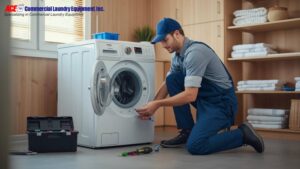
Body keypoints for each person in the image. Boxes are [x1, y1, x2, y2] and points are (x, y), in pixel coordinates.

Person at [136, 18, 265, 155]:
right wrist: (152, 106)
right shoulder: (177, 55)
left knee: (196, 145)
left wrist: (158, 104)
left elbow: (190, 95)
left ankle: (242, 134)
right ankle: (187, 131)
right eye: (160, 41)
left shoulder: (195, 53)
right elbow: (168, 82)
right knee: (172, 79)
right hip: (205, 101)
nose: (162, 45)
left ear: (177, 34)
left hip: (221, 104)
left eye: (165, 40)